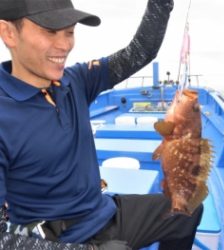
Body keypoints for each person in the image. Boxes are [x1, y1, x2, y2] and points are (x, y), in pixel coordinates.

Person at [0, 0, 203, 249]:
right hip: (58, 239)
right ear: (9, 33)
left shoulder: (75, 80)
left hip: (102, 212)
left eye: (70, 32)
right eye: (49, 31)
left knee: (187, 210)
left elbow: (140, 51)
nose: (64, 45)